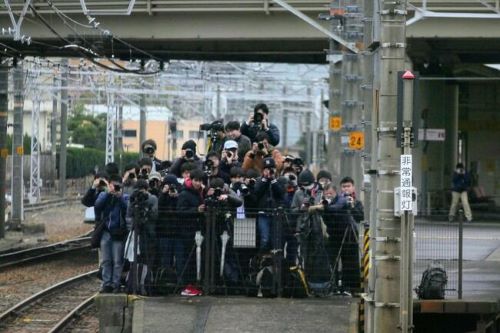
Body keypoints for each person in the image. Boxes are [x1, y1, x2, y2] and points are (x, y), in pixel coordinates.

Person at [324, 176, 364, 294]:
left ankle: (350, 287)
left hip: (350, 235)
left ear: (353, 188)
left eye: (348, 186)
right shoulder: (336, 201)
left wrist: (351, 206)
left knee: (350, 263)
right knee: (333, 261)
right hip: (335, 234)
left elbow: (360, 217)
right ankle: (334, 286)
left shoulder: (356, 202)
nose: (346, 189)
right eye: (343, 186)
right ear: (340, 189)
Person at [94, 175, 129, 293]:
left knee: (117, 260)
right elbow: (98, 206)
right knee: (106, 260)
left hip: (118, 233)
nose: (115, 188)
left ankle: (116, 283)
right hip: (106, 232)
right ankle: (106, 283)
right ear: (109, 185)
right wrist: (108, 194)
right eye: (113, 185)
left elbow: (127, 209)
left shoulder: (124, 197)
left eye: (117, 186)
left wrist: (119, 197)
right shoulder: (103, 195)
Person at [253, 157, 285, 251]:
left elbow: (280, 194)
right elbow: (257, 193)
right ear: (263, 170)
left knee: (275, 241)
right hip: (263, 214)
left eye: (271, 169)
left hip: (276, 215)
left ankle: (273, 262)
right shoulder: (259, 181)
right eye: (267, 169)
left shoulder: (279, 181)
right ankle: (262, 260)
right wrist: (265, 180)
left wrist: (273, 180)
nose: (269, 171)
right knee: (264, 239)